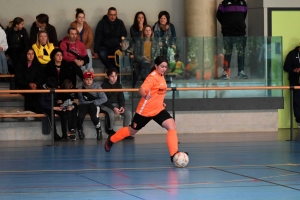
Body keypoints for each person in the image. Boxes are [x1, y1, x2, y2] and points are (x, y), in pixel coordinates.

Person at [104, 56, 187, 164]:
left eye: (165, 67)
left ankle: (174, 155)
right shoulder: (152, 77)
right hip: (145, 111)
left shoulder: (161, 76)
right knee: (131, 131)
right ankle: (111, 140)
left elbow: (158, 92)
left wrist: (159, 101)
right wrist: (145, 95)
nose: (164, 69)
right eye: (162, 66)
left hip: (158, 109)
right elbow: (141, 89)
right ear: (156, 66)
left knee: (172, 125)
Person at [217, 0, 248, 80]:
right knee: (227, 53)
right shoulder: (224, 3)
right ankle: (225, 73)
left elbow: (243, 16)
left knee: (241, 53)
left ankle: (241, 72)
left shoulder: (243, 3)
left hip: (240, 33)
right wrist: (227, 25)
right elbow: (219, 16)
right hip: (228, 33)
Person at [101, 68, 133, 136]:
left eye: (115, 76)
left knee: (128, 113)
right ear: (108, 76)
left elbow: (121, 98)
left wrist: (122, 106)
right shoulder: (103, 86)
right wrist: (113, 108)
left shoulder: (119, 85)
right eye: (112, 76)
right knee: (111, 113)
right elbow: (104, 100)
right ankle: (110, 130)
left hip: (117, 105)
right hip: (106, 105)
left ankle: (125, 132)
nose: (114, 78)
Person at [77, 71, 107, 140]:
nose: (88, 81)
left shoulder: (97, 87)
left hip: (94, 104)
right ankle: (80, 130)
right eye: (87, 79)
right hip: (83, 104)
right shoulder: (80, 88)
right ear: (84, 80)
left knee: (94, 117)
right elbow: (79, 99)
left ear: (92, 79)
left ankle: (99, 130)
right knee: (80, 116)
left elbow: (104, 98)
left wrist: (95, 102)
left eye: (90, 79)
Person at [14, 48, 42, 117]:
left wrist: (35, 84)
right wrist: (29, 84)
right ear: (25, 55)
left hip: (35, 86)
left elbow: (40, 77)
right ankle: (28, 114)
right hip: (23, 86)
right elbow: (19, 79)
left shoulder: (38, 65)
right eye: (29, 54)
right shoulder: (20, 65)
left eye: (32, 54)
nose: (31, 56)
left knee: (39, 93)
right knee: (29, 94)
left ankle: (38, 114)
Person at [39, 77, 65, 141]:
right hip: (46, 108)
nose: (53, 90)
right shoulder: (42, 91)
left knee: (63, 114)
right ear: (47, 87)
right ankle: (55, 135)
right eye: (52, 88)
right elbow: (42, 104)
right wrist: (52, 107)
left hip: (55, 106)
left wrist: (61, 106)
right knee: (51, 116)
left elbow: (59, 99)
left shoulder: (56, 89)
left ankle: (64, 135)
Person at [70, 8, 94, 72]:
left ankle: (89, 69)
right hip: (75, 48)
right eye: (79, 17)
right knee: (79, 53)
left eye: (83, 17)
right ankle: (83, 69)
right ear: (76, 18)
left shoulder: (88, 28)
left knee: (88, 51)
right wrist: (80, 49)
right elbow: (71, 39)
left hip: (85, 47)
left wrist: (84, 48)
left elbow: (90, 40)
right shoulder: (72, 27)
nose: (81, 19)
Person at [283, 46, 300, 128]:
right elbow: (286, 67)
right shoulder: (292, 54)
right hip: (295, 81)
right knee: (296, 102)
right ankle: (299, 121)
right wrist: (294, 70)